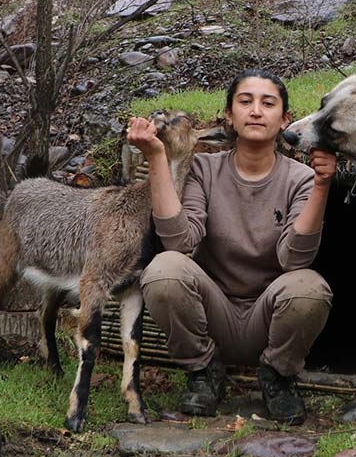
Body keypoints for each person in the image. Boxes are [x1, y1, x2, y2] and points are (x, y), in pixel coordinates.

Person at [126, 69, 336, 424]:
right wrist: (156, 158)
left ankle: (278, 376)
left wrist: (321, 185)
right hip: (211, 315)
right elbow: (180, 241)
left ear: (285, 119)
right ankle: (204, 371)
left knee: (309, 287)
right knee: (164, 269)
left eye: (267, 103)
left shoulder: (299, 178)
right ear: (229, 115)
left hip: (269, 320)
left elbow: (294, 258)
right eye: (245, 101)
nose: (256, 111)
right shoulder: (204, 170)